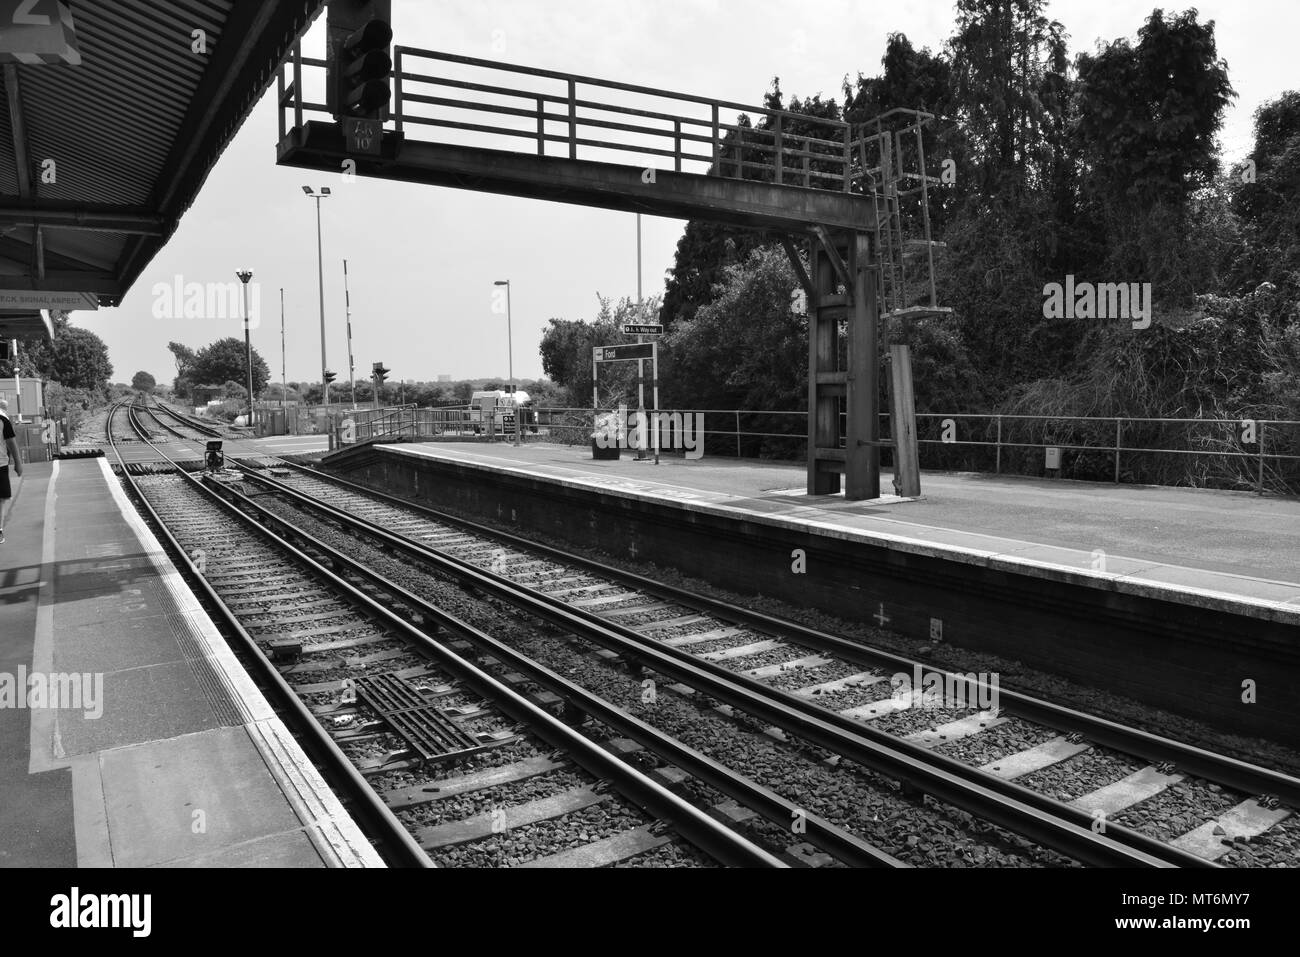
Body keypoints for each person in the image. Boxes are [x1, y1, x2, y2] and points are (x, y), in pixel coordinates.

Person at [0, 398, 22, 544]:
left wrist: (18, 462)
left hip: (0, 464)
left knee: (1, 498)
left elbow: (11, 441)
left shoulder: (2, 420)